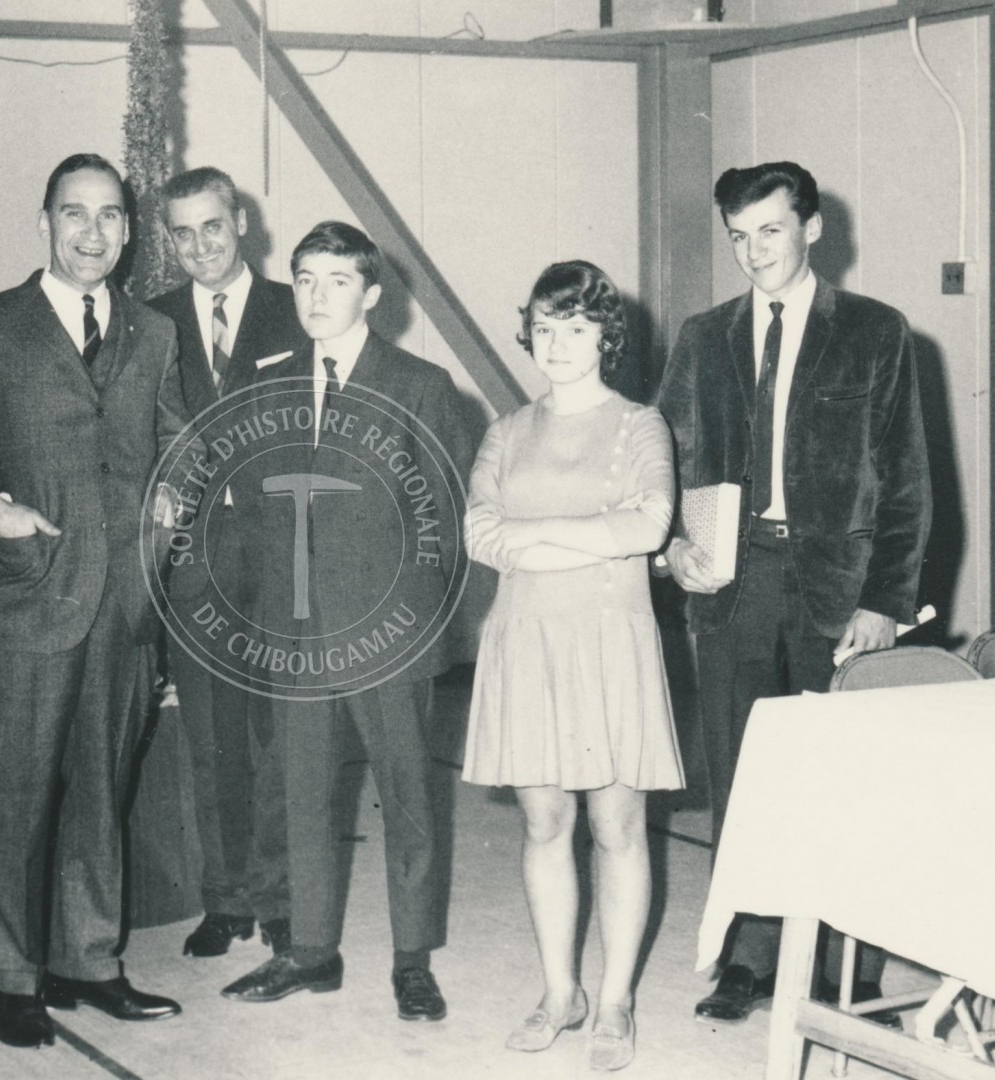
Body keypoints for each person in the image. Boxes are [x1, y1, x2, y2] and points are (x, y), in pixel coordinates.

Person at [0, 153, 193, 1048]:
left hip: (124, 605)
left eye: (109, 216)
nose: (91, 233)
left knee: (103, 792)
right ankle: (16, 979)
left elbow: (176, 439)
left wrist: (176, 494)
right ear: (44, 223)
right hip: (26, 599)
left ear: (128, 232)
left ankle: (89, 962)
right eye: (74, 213)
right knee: (17, 798)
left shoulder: (154, 333)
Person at [655, 161, 931, 1023]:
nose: (753, 252)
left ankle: (846, 970)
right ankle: (748, 958)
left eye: (769, 230)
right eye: (738, 236)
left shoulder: (876, 332)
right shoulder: (703, 337)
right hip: (733, 587)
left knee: (846, 782)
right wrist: (669, 545)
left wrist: (884, 600)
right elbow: (662, 461)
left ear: (812, 228)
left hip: (839, 592)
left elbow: (908, 483)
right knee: (742, 777)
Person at [219, 221, 473, 1022]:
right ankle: (310, 952)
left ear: (371, 294)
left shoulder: (420, 384)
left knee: (407, 798)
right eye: (304, 279)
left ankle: (411, 960)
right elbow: (259, 513)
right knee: (302, 797)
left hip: (387, 637)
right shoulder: (268, 384)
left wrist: (414, 624)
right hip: (296, 636)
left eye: (336, 280)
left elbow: (447, 519)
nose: (316, 296)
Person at [462, 260, 681, 1071]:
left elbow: (648, 526)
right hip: (526, 642)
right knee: (544, 824)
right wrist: (588, 534)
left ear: (604, 337)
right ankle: (561, 992)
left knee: (615, 827)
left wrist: (533, 539)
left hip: (607, 643)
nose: (557, 344)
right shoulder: (506, 431)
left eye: (576, 327)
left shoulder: (639, 426)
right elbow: (478, 535)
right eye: (545, 328)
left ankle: (614, 1000)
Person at [148, 166, 304, 960]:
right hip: (194, 559)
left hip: (281, 553)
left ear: (240, 221)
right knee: (209, 734)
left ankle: (279, 898)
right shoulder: (150, 322)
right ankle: (225, 898)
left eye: (212, 225)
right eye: (183, 233)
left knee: (279, 731)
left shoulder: (295, 309)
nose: (200, 245)